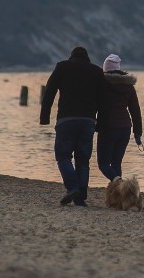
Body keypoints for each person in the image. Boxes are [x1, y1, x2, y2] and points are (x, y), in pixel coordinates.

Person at [40, 46, 107, 206]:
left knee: (63, 156)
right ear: (87, 58)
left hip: (66, 120)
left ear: (71, 56)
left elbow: (49, 92)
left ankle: (72, 187)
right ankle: (80, 197)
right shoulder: (96, 72)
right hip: (88, 121)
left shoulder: (62, 67)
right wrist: (100, 123)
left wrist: (44, 117)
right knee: (83, 159)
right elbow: (103, 101)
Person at [96, 53, 143, 181]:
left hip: (108, 127)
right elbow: (135, 110)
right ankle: (119, 195)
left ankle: (120, 184)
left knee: (103, 164)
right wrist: (138, 133)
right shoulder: (128, 86)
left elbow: (95, 105)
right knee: (116, 163)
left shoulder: (103, 85)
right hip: (125, 128)